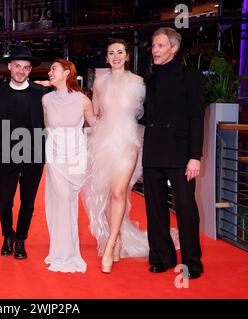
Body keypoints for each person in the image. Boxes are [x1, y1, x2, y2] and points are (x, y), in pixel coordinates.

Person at [83, 39, 154, 273]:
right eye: (111, 52)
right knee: (105, 195)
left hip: (128, 143)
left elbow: (148, 112)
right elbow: (94, 114)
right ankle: (119, 238)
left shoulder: (139, 82)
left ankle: (111, 245)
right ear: (106, 57)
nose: (115, 56)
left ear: (126, 56)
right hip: (103, 143)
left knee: (118, 192)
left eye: (120, 52)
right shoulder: (100, 83)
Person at [141, 27, 204, 279]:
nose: (155, 50)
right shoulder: (149, 80)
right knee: (154, 210)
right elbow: (145, 116)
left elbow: (197, 118)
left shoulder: (191, 77)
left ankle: (191, 262)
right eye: (154, 46)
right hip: (154, 150)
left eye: (160, 46)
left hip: (180, 154)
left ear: (174, 48)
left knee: (186, 209)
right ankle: (160, 257)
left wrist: (195, 156)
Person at [0, 46, 47, 259]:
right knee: (3, 201)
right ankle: (8, 235)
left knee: (28, 202)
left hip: (34, 155)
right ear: (9, 67)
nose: (21, 71)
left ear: (30, 70)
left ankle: (21, 240)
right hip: (7, 153)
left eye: (26, 67)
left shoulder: (41, 93)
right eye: (17, 66)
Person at [42, 59, 96, 273]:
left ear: (66, 72)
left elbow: (94, 125)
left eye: (53, 68)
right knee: (61, 200)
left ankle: (67, 249)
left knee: (69, 201)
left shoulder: (83, 100)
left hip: (76, 156)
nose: (49, 72)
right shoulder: (45, 99)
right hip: (54, 155)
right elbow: (48, 127)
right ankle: (61, 251)